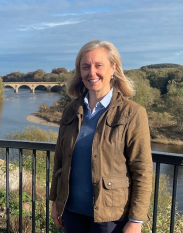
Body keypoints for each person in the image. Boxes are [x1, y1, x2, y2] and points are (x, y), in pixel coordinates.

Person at [49, 40, 153, 233]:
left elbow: (142, 170)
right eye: (85, 67)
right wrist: (56, 201)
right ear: (80, 72)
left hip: (111, 217)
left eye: (99, 65)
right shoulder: (71, 110)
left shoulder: (132, 113)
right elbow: (60, 160)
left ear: (113, 68)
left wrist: (136, 220)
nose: (92, 72)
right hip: (72, 212)